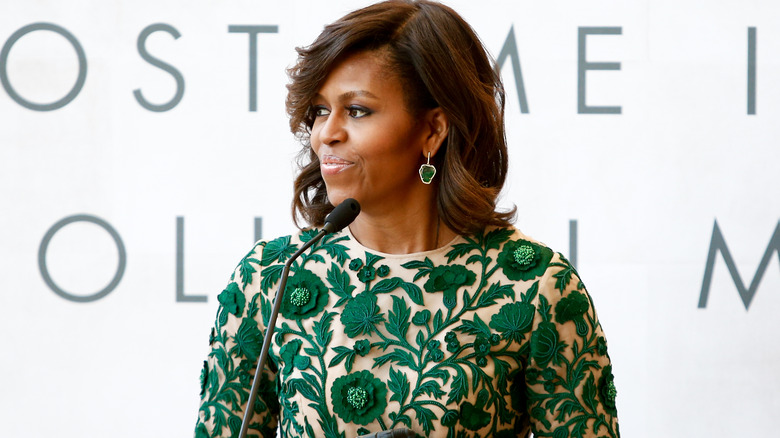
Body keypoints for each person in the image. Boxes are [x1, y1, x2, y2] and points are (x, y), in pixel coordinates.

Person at [195, 1, 620, 437]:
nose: (327, 133)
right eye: (320, 111)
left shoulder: (534, 286)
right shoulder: (271, 277)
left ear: (433, 129)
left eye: (356, 110)